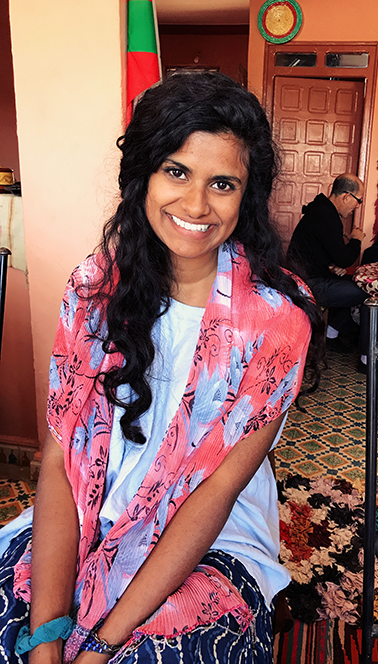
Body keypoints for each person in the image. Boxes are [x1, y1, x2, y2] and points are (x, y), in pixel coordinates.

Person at [0, 72, 323, 664]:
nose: (196, 205)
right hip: (88, 510)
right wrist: (47, 634)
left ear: (246, 194)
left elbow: (218, 488)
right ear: (143, 176)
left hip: (208, 540)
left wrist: (102, 642)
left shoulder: (276, 323)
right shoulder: (94, 288)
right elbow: (61, 456)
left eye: (222, 183)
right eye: (176, 171)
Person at [286, 174, 367, 349]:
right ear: (346, 196)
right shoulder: (326, 215)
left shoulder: (322, 210)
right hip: (307, 285)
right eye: (358, 201)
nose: (357, 206)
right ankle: (366, 356)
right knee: (368, 291)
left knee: (353, 281)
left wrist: (334, 265)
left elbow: (324, 251)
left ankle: (331, 334)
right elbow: (344, 258)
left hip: (310, 277)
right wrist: (356, 240)